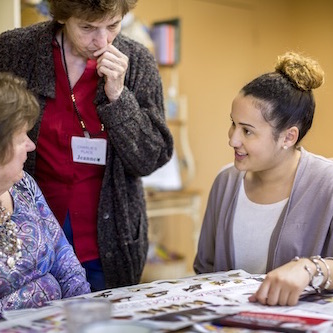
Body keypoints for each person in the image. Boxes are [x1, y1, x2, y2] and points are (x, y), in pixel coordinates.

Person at [0, 0, 173, 291]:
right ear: (64, 17)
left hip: (109, 238)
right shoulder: (15, 50)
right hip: (30, 235)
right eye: (88, 27)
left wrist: (119, 97)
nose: (102, 41)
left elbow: (149, 159)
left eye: (113, 26)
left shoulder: (138, 62)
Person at [194, 51, 333, 306]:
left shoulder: (328, 184)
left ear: (288, 137)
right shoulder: (225, 182)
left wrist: (311, 268)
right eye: (233, 124)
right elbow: (205, 269)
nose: (233, 139)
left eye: (247, 130)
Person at [0, 72, 90, 312]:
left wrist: (85, 315)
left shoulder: (23, 185)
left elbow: (65, 262)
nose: (32, 145)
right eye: (22, 137)